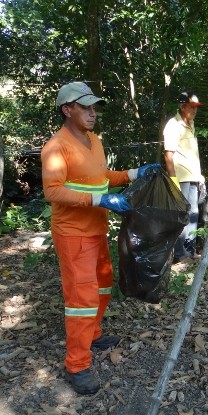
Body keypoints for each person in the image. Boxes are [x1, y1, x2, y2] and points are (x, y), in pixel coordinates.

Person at [41, 81, 153, 395]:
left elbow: (102, 178)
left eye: (94, 108)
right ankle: (77, 364)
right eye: (85, 107)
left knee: (104, 284)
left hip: (96, 230)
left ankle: (92, 333)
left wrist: (134, 174)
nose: (92, 113)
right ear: (67, 109)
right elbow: (53, 190)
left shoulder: (94, 141)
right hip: (73, 234)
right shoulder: (57, 146)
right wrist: (98, 200)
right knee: (81, 300)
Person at [163, 91, 204, 262]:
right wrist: (173, 181)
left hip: (193, 176)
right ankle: (180, 254)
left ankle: (190, 251)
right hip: (180, 177)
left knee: (193, 212)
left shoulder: (191, 123)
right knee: (181, 214)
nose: (194, 110)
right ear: (182, 106)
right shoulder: (173, 125)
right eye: (191, 107)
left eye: (196, 107)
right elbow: (168, 155)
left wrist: (200, 176)